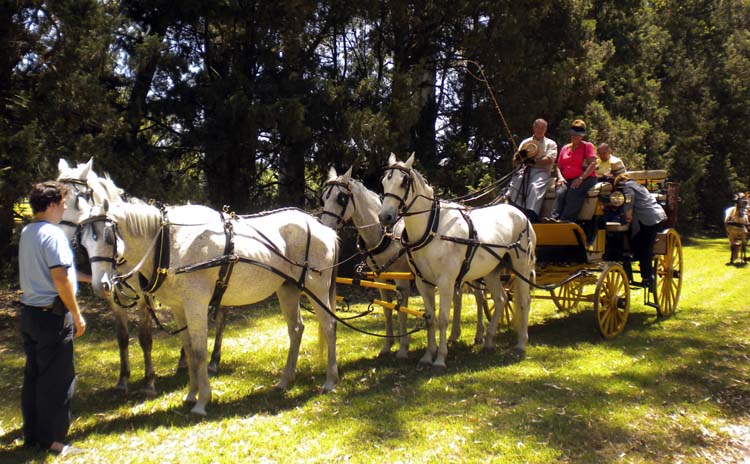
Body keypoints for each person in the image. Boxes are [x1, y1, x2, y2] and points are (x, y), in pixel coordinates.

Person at [19, 181, 89, 457]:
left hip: (30, 314)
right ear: (50, 205)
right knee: (58, 380)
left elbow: (61, 271)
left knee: (34, 377)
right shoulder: (54, 234)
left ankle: (33, 437)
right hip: (53, 317)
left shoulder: (28, 231)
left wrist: (91, 278)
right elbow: (60, 277)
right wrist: (77, 314)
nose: (64, 208)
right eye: (62, 203)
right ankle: (55, 442)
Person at [614, 173, 667, 291]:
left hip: (650, 219)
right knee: (638, 243)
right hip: (656, 216)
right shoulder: (637, 185)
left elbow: (629, 199)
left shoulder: (627, 187)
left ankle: (648, 277)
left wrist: (627, 215)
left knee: (645, 249)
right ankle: (641, 266)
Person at [503, 118, 558, 222]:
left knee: (535, 186)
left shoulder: (551, 143)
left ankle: (531, 215)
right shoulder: (526, 142)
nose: (540, 130)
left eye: (542, 128)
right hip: (525, 170)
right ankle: (513, 210)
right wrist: (519, 157)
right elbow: (516, 161)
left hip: (542, 171)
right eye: (538, 128)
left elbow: (550, 160)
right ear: (534, 128)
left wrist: (534, 162)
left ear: (545, 129)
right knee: (515, 182)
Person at [550, 119, 598, 221]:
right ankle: (553, 218)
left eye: (577, 135)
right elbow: (558, 166)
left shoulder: (587, 146)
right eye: (572, 134)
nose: (574, 137)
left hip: (586, 178)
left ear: (582, 136)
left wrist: (581, 178)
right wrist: (560, 178)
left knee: (573, 191)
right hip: (566, 178)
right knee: (560, 191)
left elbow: (593, 164)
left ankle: (565, 220)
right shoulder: (565, 148)